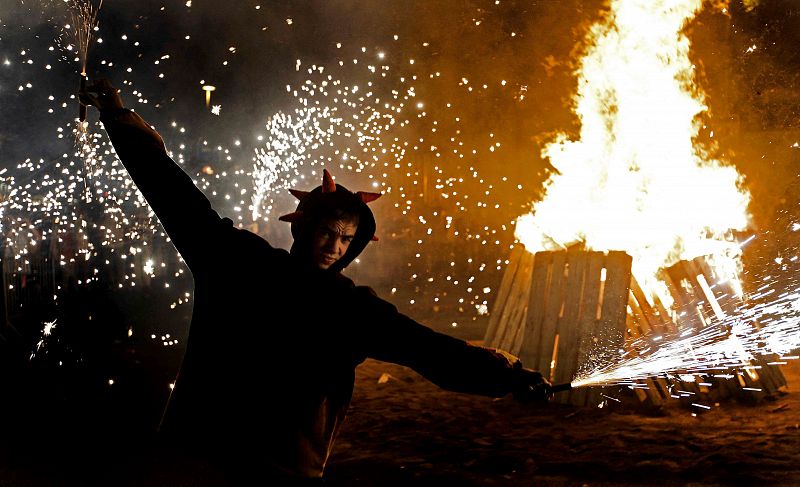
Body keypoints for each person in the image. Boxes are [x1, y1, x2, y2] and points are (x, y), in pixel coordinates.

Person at [80, 79, 551, 485]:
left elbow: (425, 349)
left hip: (271, 469)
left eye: (346, 238)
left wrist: (504, 376)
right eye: (327, 231)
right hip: (208, 460)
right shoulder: (240, 262)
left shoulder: (349, 307)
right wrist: (119, 117)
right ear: (302, 227)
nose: (334, 245)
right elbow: (173, 192)